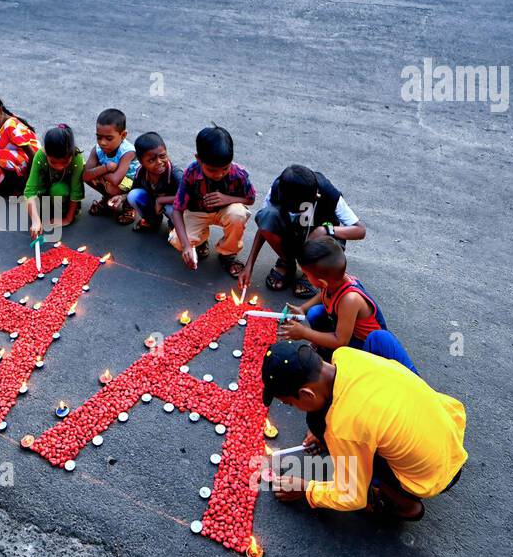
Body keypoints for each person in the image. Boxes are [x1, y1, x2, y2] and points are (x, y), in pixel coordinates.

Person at [262, 340, 467, 520]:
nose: (293, 408)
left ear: (307, 394)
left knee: (325, 426)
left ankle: (407, 506)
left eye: (289, 404)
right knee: (325, 423)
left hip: (433, 474)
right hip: (447, 433)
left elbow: (352, 497)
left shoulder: (343, 425)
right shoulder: (346, 355)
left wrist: (307, 489)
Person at [278, 236, 418, 373]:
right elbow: (323, 294)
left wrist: (305, 333)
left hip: (366, 346)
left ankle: (346, 365)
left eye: (306, 275)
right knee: (314, 312)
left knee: (324, 325)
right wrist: (303, 308)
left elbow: (340, 340)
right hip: (349, 332)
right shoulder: (334, 280)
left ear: (322, 282)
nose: (305, 277)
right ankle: (325, 349)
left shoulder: (349, 300)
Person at [239, 164, 365, 299]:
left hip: (322, 241)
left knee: (321, 236)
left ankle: (310, 272)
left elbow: (360, 230)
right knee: (267, 215)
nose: (293, 211)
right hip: (296, 237)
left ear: (314, 197)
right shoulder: (280, 187)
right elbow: (265, 226)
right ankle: (287, 263)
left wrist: (327, 230)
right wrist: (249, 265)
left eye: (296, 209)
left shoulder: (327, 192)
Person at [168, 126, 255, 272]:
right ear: (198, 159)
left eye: (225, 169)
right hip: (197, 212)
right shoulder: (191, 173)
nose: (219, 174)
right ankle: (199, 241)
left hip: (226, 212)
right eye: (212, 170)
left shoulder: (238, 174)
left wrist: (227, 199)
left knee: (238, 214)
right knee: (177, 240)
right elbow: (177, 209)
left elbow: (250, 199)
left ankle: (228, 253)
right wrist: (186, 246)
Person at [108, 131, 182, 234]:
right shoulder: (141, 172)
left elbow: (186, 197)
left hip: (174, 205)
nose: (159, 162)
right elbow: (133, 190)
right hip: (154, 202)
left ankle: (174, 226)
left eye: (162, 156)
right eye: (151, 160)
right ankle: (152, 221)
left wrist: (161, 200)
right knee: (134, 196)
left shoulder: (175, 174)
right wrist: (121, 197)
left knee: (173, 210)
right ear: (141, 161)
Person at [25, 124, 85, 238]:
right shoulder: (40, 156)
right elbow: (30, 190)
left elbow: (76, 190)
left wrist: (68, 218)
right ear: (46, 153)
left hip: (63, 193)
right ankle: (47, 208)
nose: (59, 167)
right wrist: (36, 220)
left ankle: (63, 210)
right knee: (38, 207)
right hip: (45, 191)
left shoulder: (77, 158)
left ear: (71, 154)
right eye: (53, 162)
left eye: (64, 162)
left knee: (59, 190)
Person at [83, 107, 138, 223]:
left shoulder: (127, 152)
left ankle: (129, 206)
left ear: (123, 135)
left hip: (132, 184)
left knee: (111, 186)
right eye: (99, 137)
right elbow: (85, 175)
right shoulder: (97, 149)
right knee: (87, 175)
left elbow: (115, 180)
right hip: (110, 177)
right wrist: (106, 168)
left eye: (109, 138)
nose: (102, 142)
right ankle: (107, 199)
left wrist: (97, 171)